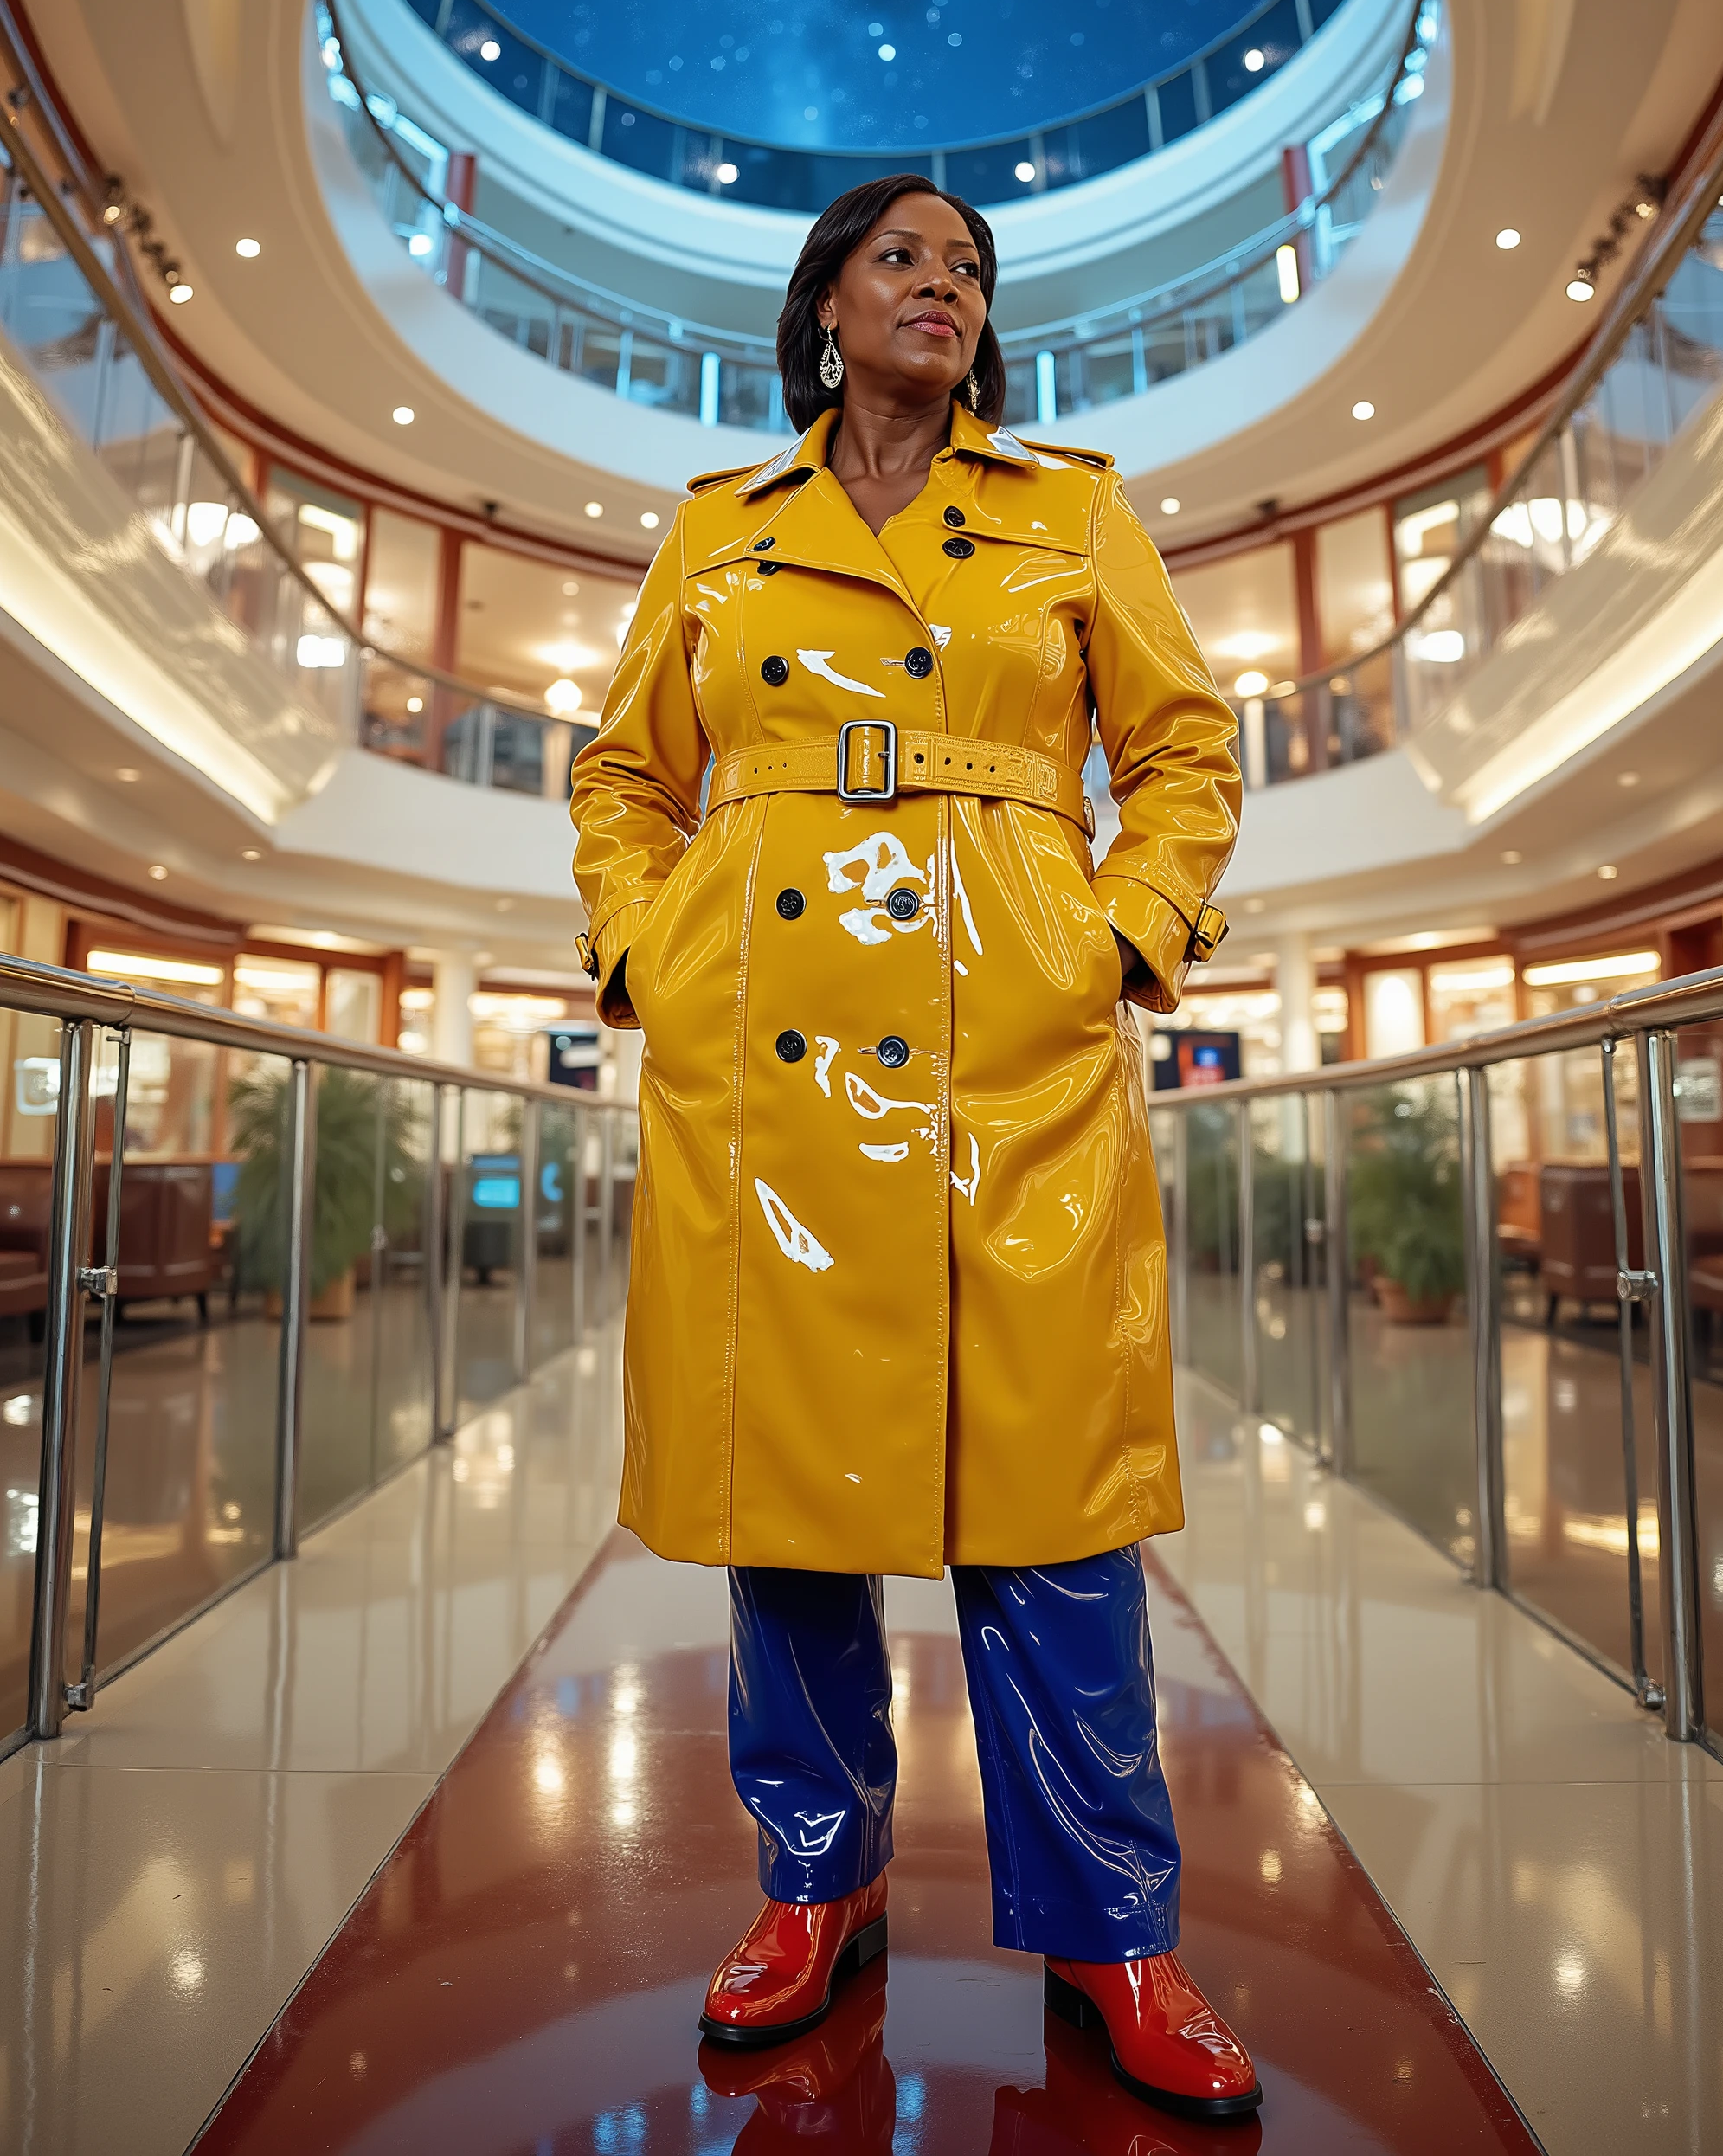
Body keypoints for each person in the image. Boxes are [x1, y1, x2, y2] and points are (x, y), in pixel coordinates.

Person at [569, 174, 1255, 2121]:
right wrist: (648, 950)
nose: (940, 283)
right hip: (763, 1052)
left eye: (967, 266)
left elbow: (1187, 748)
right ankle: (818, 1879)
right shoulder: (719, 534)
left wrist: (1116, 935)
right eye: (901, 257)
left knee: (1055, 1503)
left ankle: (1116, 1927)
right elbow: (627, 772)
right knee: (783, 1498)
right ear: (824, 305)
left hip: (1011, 1031)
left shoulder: (1068, 511)